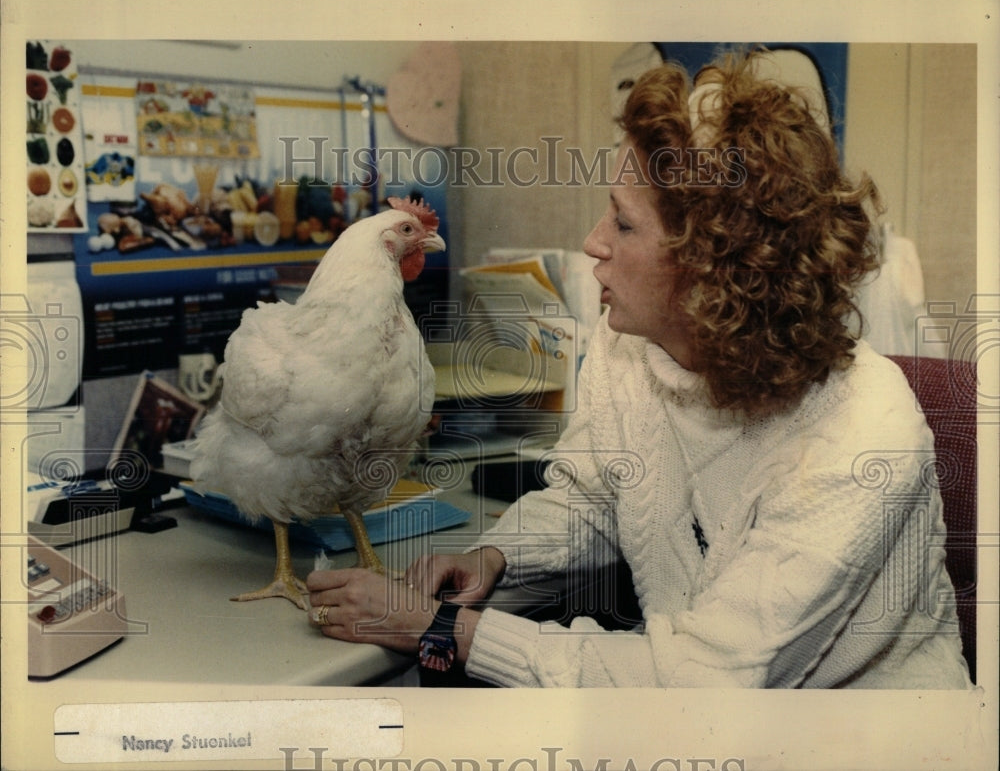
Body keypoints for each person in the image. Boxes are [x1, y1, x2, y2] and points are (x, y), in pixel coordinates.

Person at [305, 50, 973, 689]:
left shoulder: (862, 430)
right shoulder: (629, 346)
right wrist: (497, 556)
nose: (593, 242)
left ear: (715, 268)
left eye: (622, 226)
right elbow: (599, 496)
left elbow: (704, 681)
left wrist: (442, 630)